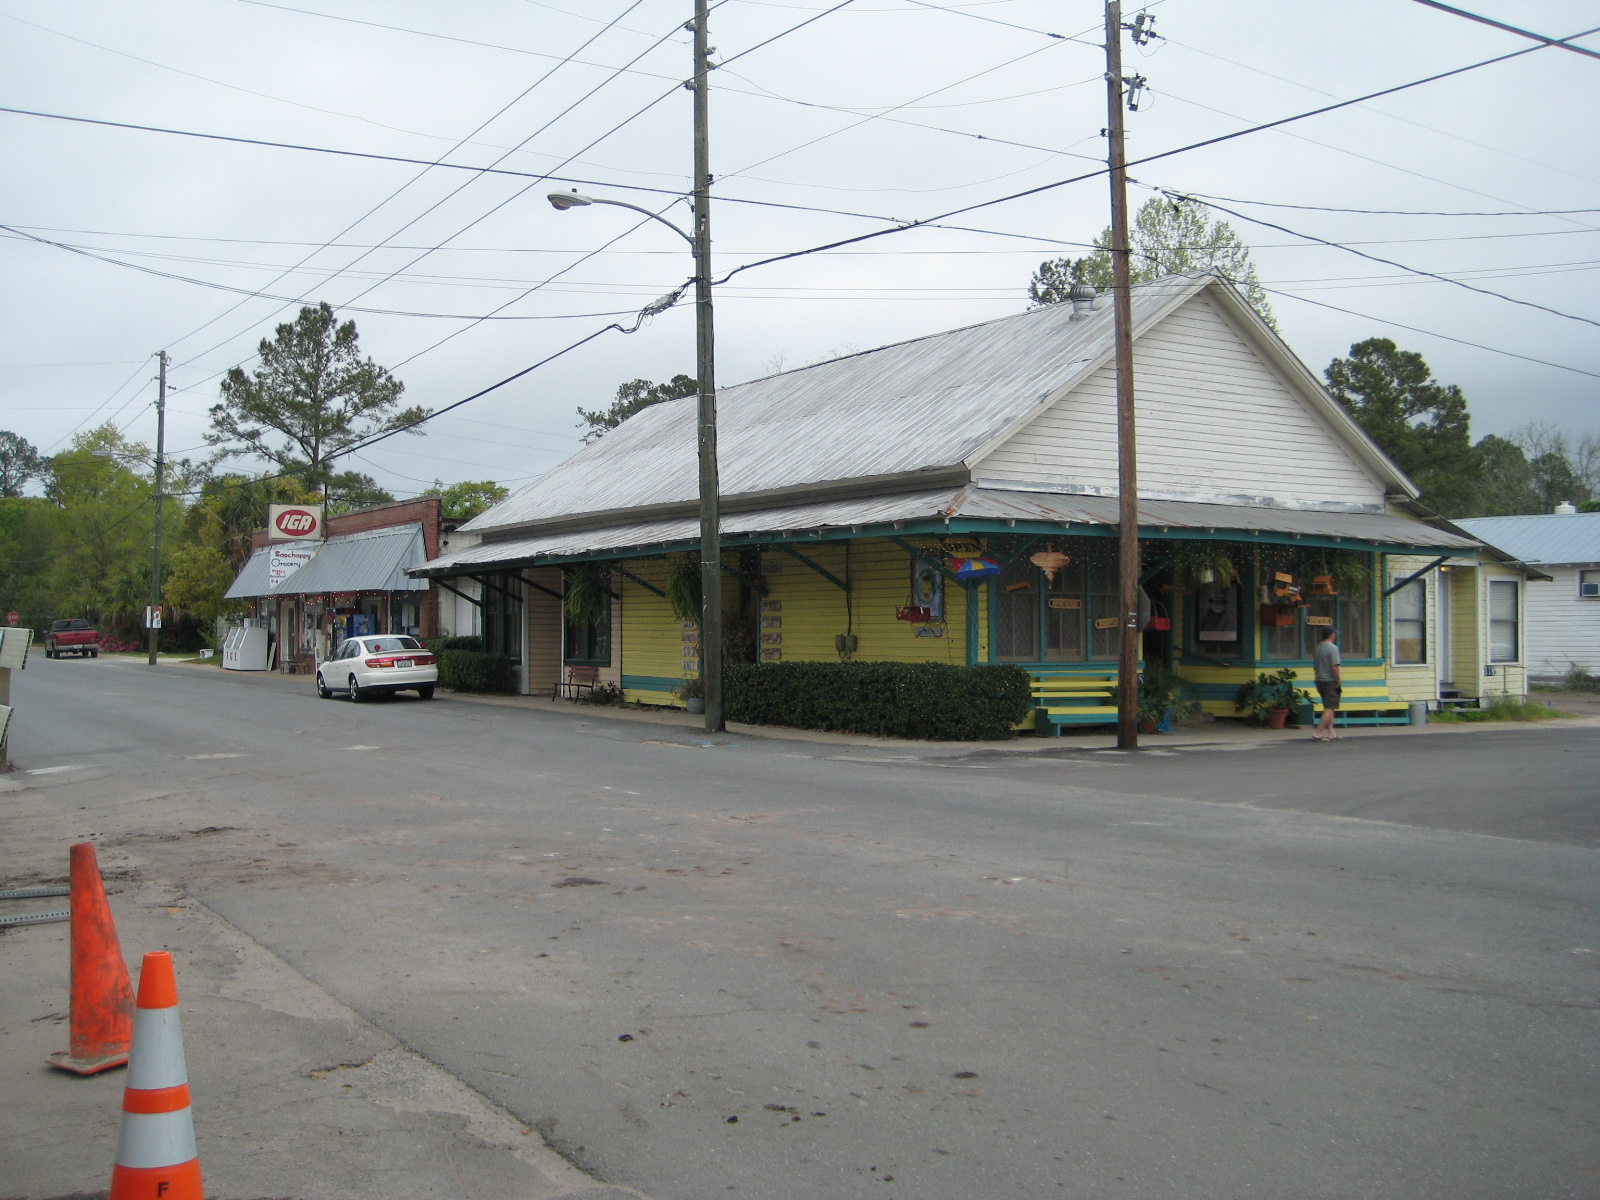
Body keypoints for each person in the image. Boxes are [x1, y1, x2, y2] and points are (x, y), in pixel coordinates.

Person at [1312, 626, 1342, 741]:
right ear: (1332, 635)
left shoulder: (1318, 648)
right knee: (1330, 707)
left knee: (1328, 706)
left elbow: (1315, 666)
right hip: (1330, 681)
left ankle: (1331, 732)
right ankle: (1318, 732)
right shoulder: (1332, 648)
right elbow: (1334, 667)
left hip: (1319, 680)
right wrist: (1338, 680)